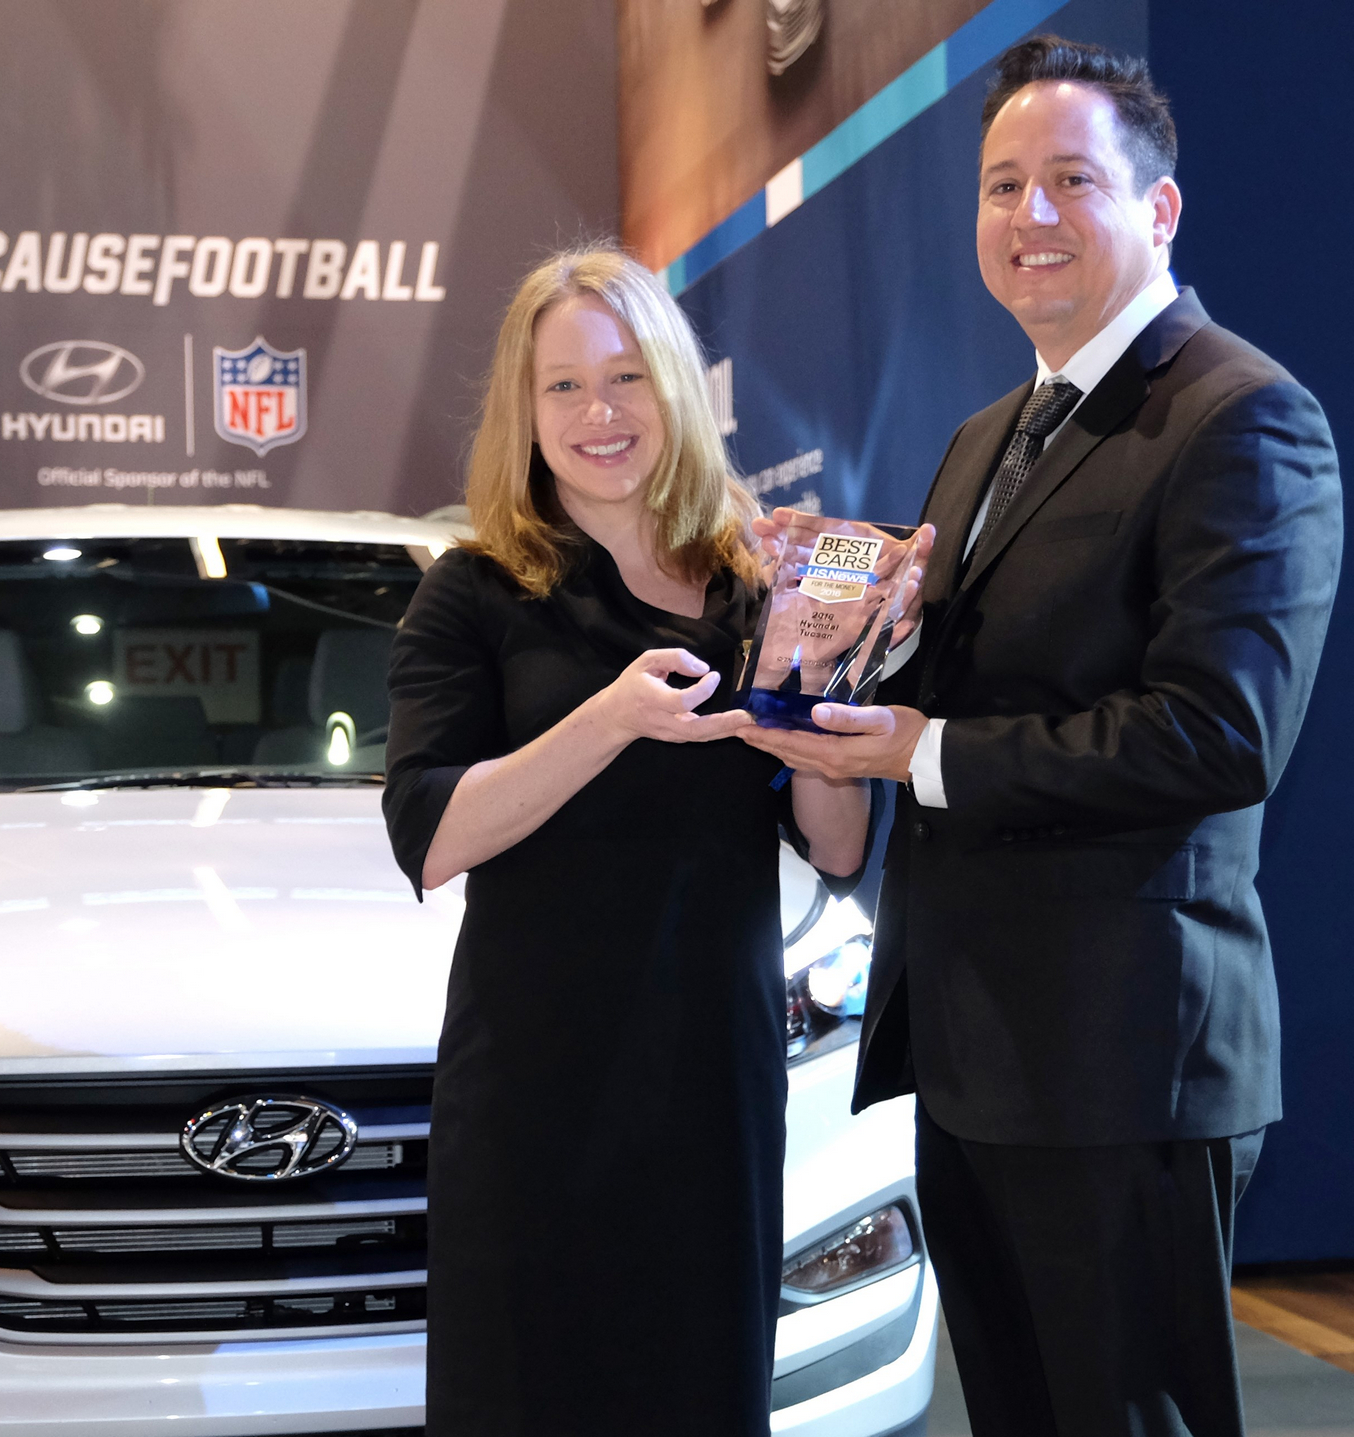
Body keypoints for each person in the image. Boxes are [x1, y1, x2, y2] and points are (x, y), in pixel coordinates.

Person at [740, 36, 1343, 1437]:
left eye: (1073, 179)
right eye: (1003, 186)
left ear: (1161, 209)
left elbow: (1219, 733)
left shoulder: (1242, 418)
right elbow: (947, 677)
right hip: (973, 1045)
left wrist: (922, 752)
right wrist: (828, 624)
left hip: (1123, 1051)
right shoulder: (982, 436)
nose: (1033, 217)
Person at [381, 247, 875, 1436]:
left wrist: (823, 707)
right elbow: (432, 836)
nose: (599, 414)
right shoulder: (476, 593)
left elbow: (841, 849)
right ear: (526, 410)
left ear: (676, 390)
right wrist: (608, 720)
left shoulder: (760, 588)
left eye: (626, 378)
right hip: (537, 1093)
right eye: (564, 388)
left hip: (714, 1077)